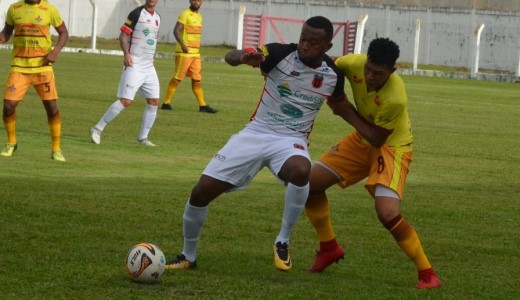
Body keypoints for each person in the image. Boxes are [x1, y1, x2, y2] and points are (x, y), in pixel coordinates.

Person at [165, 16, 374, 271]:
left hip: (291, 141)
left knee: (301, 170)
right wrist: (244, 57)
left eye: (313, 42)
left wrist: (373, 135)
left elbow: (343, 108)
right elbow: (232, 56)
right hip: (255, 133)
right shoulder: (278, 53)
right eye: (303, 38)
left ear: (327, 47)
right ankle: (188, 256)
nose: (305, 45)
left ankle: (282, 241)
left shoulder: (332, 75)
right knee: (200, 192)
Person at [304, 38, 442, 289]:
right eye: (368, 68)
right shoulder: (354, 62)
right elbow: (330, 64)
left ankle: (427, 273)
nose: (369, 76)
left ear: (393, 70)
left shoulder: (395, 98)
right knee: (309, 185)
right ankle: (329, 248)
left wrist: (344, 110)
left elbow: (378, 138)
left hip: (391, 145)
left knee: (387, 213)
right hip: (362, 138)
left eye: (378, 73)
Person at [0, 0, 68, 161]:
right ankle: (11, 143)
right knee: (8, 106)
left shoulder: (49, 9)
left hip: (43, 66)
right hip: (19, 66)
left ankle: (56, 149)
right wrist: (2, 37)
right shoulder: (14, 8)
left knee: (51, 108)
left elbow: (64, 33)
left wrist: (55, 52)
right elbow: (7, 30)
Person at [90, 0, 161, 146]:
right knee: (126, 101)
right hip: (134, 64)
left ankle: (143, 138)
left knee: (154, 101)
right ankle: (97, 129)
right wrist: (126, 54)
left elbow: (150, 40)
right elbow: (123, 35)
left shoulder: (158, 18)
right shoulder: (136, 13)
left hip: (149, 66)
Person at [160, 0, 218, 113]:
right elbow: (176, 31)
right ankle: (166, 103)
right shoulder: (185, 14)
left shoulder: (199, 16)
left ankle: (203, 106)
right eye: (195, 0)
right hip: (184, 53)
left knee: (197, 79)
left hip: (196, 53)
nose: (197, 2)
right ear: (190, 1)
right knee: (177, 78)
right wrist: (183, 45)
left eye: (199, 0)